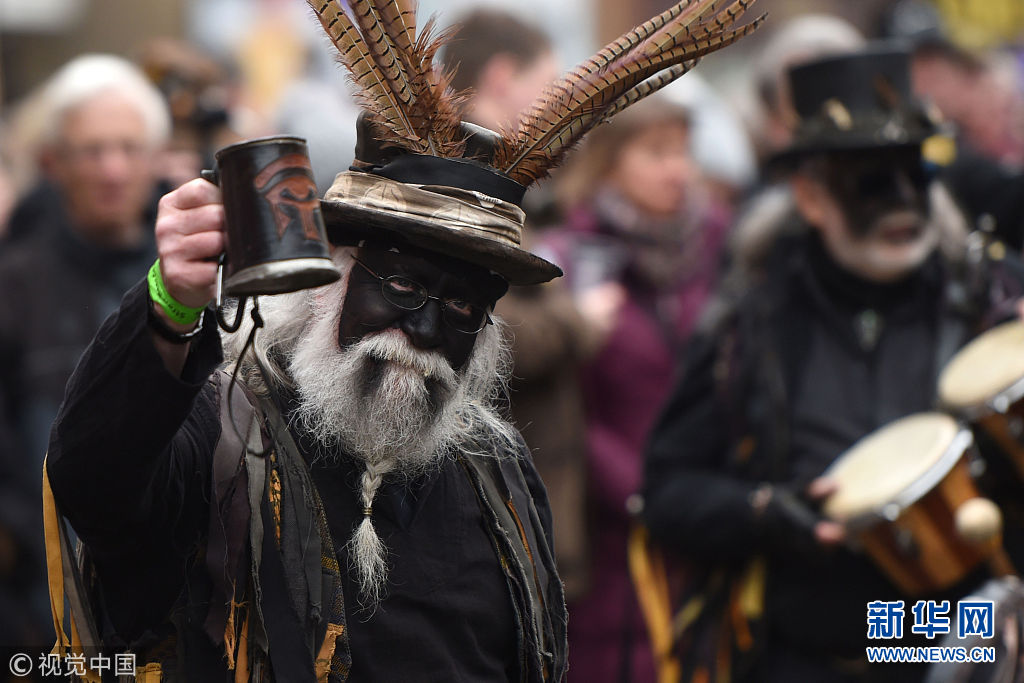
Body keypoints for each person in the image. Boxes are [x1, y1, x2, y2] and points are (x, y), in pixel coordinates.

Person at [44, 0, 761, 679]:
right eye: (401, 286)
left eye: (461, 306)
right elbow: (93, 480)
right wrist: (170, 304)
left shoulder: (497, 475)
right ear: (332, 275)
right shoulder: (225, 437)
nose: (422, 331)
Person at [642, 47, 1024, 683]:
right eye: (872, 181)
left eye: (916, 173)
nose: (904, 201)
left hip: (965, 646)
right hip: (811, 655)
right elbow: (668, 492)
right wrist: (765, 512)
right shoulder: (749, 324)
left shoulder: (994, 300)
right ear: (811, 197)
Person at [545, 96, 730, 682]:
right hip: (611, 536)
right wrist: (642, 493)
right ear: (608, 160)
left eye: (683, 151)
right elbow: (565, 407)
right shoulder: (569, 261)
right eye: (656, 153)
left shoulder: (719, 245)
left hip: (709, 520)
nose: (678, 170)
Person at [0, 53, 169, 647]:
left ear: (156, 159)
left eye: (128, 148)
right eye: (92, 151)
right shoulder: (13, 287)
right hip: (39, 607)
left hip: (168, 602)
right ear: (55, 163)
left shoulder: (191, 279)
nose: (112, 169)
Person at [441, 8, 595, 603]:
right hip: (481, 521)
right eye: (547, 87)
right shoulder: (457, 179)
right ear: (502, 77)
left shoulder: (500, 179)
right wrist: (577, 323)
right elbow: (475, 324)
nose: (556, 108)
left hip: (515, 507)